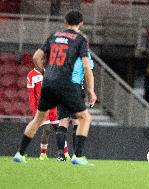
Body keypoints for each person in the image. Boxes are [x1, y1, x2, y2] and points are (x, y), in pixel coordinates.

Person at [13, 10, 97, 165]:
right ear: (81, 23)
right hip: (66, 83)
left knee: (38, 119)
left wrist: (45, 72)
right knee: (85, 118)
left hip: (48, 82)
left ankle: (20, 153)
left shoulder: (54, 36)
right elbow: (86, 67)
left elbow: (36, 57)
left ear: (65, 21)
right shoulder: (80, 39)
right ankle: (77, 157)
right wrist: (91, 91)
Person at [56, 50, 95, 161]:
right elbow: (88, 70)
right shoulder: (84, 52)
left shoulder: (64, 49)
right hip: (75, 88)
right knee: (77, 121)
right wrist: (90, 91)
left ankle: (60, 155)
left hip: (61, 87)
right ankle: (76, 155)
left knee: (63, 121)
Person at [27, 67, 69, 160]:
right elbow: (31, 96)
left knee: (59, 129)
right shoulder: (31, 75)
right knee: (47, 129)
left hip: (53, 107)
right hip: (42, 108)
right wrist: (34, 111)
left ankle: (65, 153)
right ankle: (43, 154)